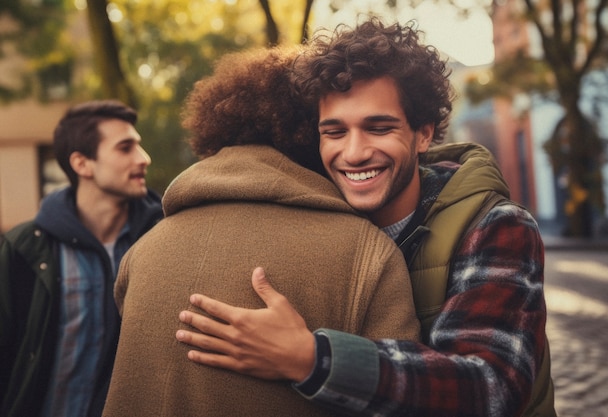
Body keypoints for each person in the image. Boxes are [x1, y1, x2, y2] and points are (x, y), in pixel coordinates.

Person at [175, 17, 556, 417]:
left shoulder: (496, 226)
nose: (354, 153)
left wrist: (312, 359)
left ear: (423, 133)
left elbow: (490, 388)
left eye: (378, 128)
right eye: (335, 132)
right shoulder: (323, 227)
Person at [101, 47, 420, 417]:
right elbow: (407, 399)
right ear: (311, 134)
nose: (353, 151)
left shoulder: (142, 252)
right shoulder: (368, 254)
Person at [0, 100, 162, 417]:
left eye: (139, 146)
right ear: (82, 164)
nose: (144, 159)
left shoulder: (159, 243)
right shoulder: (24, 247)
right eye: (125, 148)